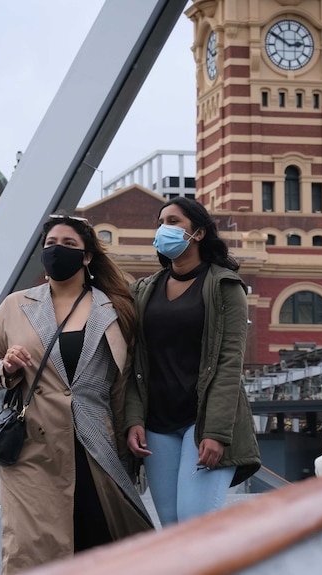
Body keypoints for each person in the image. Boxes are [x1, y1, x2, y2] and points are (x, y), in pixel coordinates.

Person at [0, 214, 153, 574]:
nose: (58, 251)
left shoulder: (114, 309)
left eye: (69, 245)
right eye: (51, 244)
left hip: (95, 441)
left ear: (87, 257)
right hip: (32, 447)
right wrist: (5, 368)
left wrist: (132, 424)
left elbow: (129, 378)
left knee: (99, 536)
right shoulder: (16, 305)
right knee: (32, 546)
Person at [125, 197, 261, 526]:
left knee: (194, 523)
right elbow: (134, 362)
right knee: (173, 527)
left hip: (201, 423)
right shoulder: (144, 290)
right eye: (160, 222)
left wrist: (215, 432)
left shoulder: (225, 286)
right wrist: (133, 418)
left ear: (198, 233)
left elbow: (230, 363)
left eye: (173, 222)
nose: (163, 229)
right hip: (157, 423)